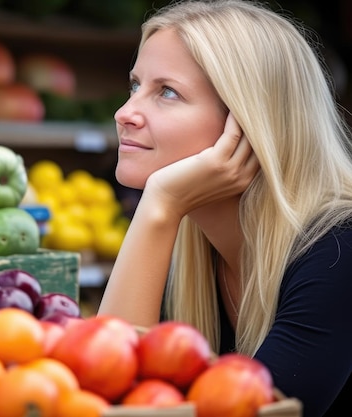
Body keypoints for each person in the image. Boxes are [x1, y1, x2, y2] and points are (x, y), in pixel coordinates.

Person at [97, 1, 352, 416]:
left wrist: (160, 204)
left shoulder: (340, 251)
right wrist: (159, 210)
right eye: (134, 85)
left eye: (167, 92)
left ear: (247, 124)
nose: (124, 113)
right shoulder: (188, 245)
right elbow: (107, 391)